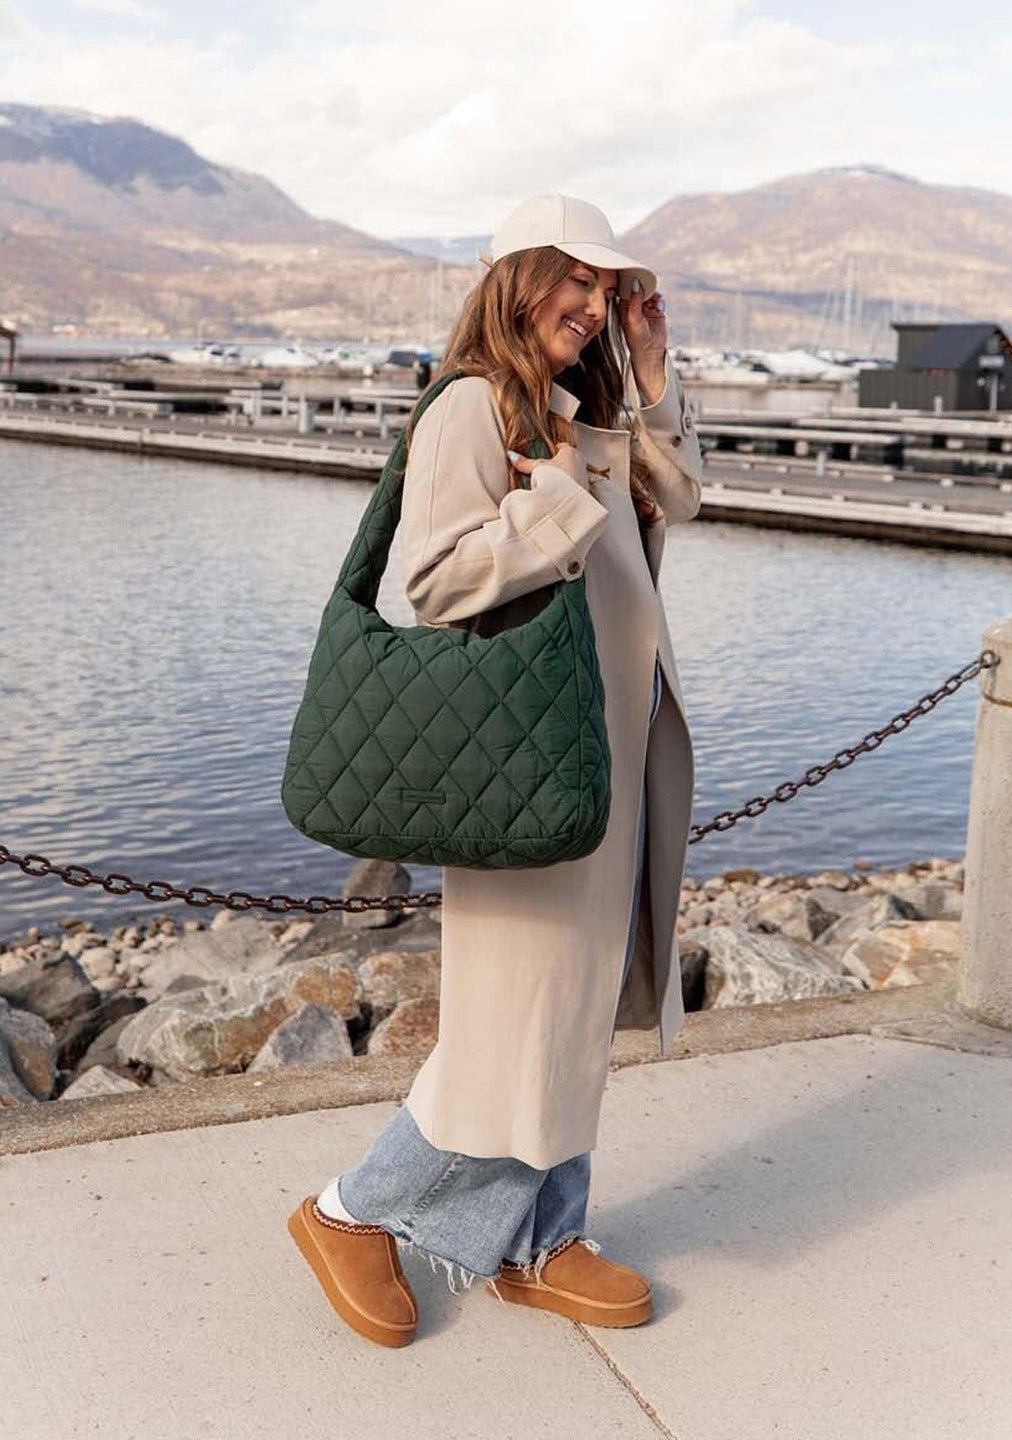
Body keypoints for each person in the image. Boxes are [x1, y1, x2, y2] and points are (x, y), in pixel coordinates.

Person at [287, 194, 703, 1348]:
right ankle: (350, 1211)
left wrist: (653, 379)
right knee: (512, 1022)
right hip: (531, 753)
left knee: (572, 1012)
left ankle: (541, 1241)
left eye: (603, 288)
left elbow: (682, 500)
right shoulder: (475, 406)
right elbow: (434, 578)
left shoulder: (572, 408)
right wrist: (562, 494)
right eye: (567, 282)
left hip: (608, 750)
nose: (587, 305)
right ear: (515, 283)